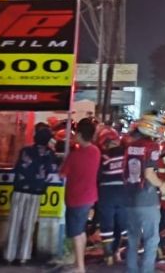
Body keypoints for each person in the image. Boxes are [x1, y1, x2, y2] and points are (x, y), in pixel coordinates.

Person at [4, 127, 59, 265]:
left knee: (15, 222)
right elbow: (53, 170)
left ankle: (9, 255)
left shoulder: (25, 151)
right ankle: (23, 257)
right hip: (36, 191)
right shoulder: (49, 154)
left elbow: (16, 168)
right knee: (29, 225)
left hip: (19, 189)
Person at [124, 115, 165, 273]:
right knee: (151, 239)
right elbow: (149, 174)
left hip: (129, 197)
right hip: (147, 197)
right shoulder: (152, 146)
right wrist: (162, 184)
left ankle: (131, 269)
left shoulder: (129, 146)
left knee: (132, 238)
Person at [60, 117, 100, 273]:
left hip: (76, 198)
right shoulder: (96, 151)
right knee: (81, 232)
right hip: (89, 198)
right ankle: (79, 262)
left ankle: (80, 267)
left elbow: (62, 174)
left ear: (80, 135)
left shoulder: (75, 155)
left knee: (76, 233)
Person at [96, 127, 128, 266]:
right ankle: (119, 253)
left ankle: (108, 256)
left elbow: (98, 176)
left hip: (106, 193)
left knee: (107, 225)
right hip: (124, 192)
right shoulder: (127, 154)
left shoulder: (103, 156)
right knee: (122, 225)